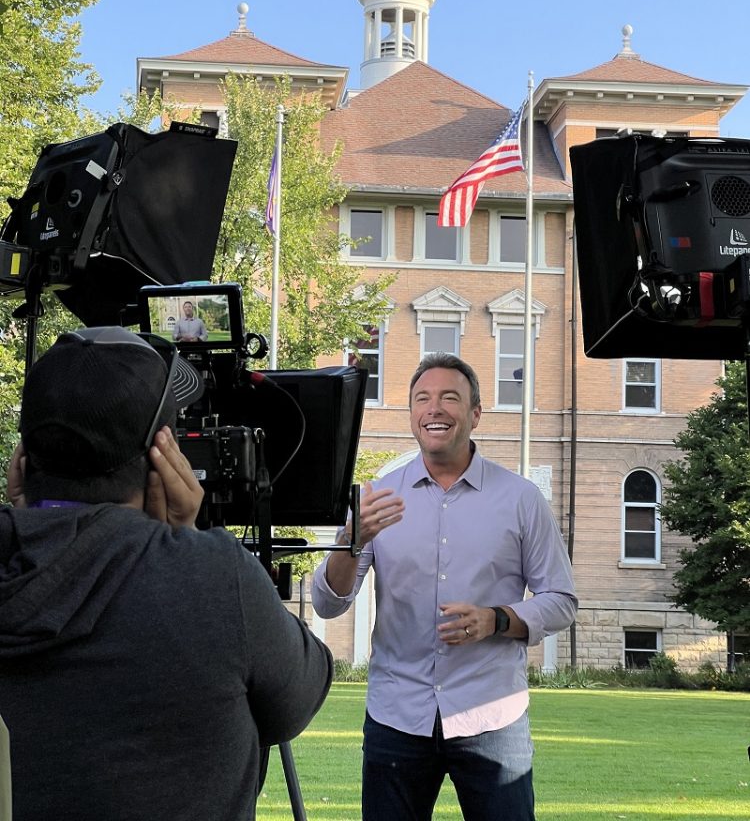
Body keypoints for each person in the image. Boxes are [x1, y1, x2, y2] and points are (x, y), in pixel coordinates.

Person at [0, 326, 333, 821]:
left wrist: (38, 529)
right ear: (163, 462)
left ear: (22, 461)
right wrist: (186, 537)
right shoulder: (215, 577)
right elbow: (299, 696)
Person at [312, 352, 577, 821]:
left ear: (475, 414)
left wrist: (498, 619)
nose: (434, 408)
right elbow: (328, 605)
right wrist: (352, 544)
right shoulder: (376, 497)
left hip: (492, 716)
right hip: (397, 716)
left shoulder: (520, 499)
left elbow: (560, 601)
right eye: (422, 399)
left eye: (449, 398)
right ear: (411, 415)